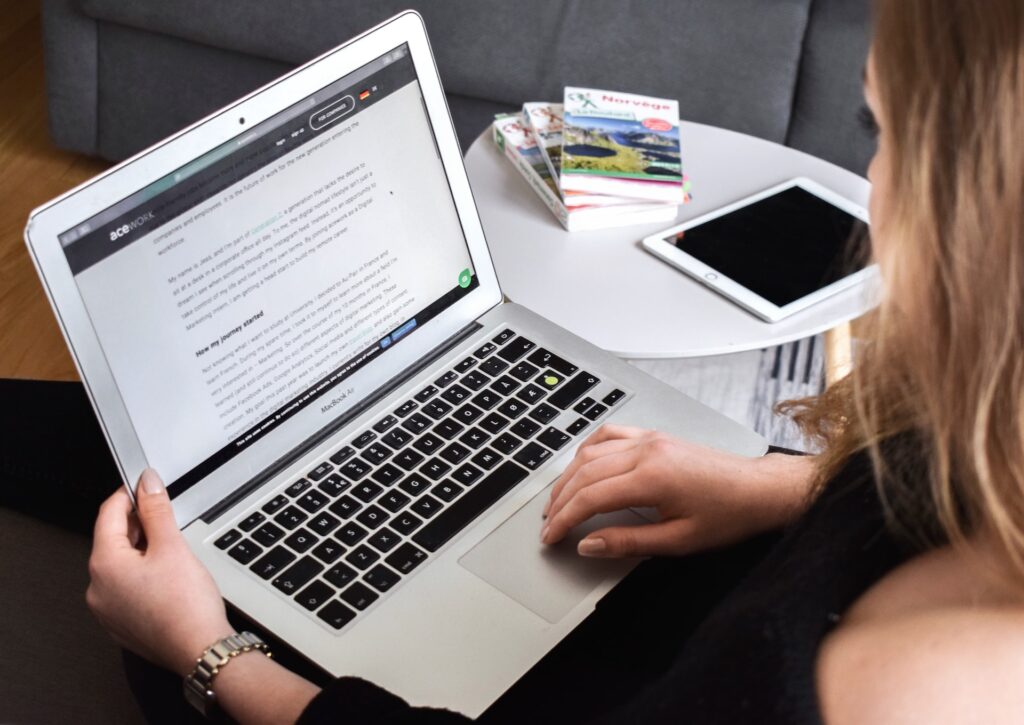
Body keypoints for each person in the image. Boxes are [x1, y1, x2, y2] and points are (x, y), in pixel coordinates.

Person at [83, 0, 1024, 722]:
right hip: (747, 587)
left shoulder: (886, 687)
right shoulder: (991, 443)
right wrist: (776, 489)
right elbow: (927, 488)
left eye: (885, 129)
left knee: (149, 608)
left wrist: (211, 656)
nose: (874, 181)